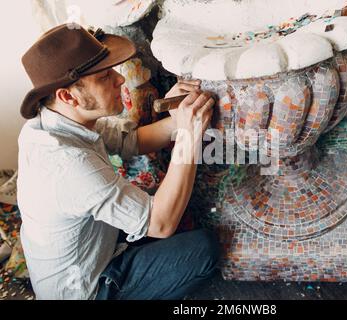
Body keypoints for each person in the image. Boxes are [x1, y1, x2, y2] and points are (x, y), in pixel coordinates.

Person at [17, 23, 220, 300]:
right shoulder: (67, 164)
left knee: (171, 200)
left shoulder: (56, 122)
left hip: (94, 251)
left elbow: (133, 139)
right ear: (68, 96)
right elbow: (161, 223)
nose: (120, 80)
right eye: (104, 77)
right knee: (202, 249)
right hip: (87, 291)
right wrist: (188, 137)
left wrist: (178, 117)